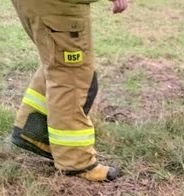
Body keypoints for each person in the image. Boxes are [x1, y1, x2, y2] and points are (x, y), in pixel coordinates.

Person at [10, 0, 128, 182]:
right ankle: (75, 162)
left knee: (58, 65)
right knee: (70, 77)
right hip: (57, 8)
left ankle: (34, 132)